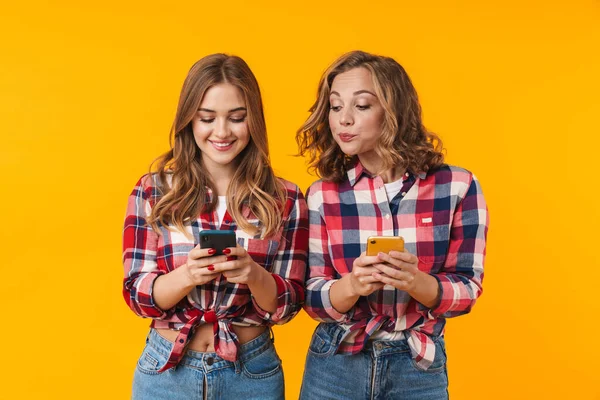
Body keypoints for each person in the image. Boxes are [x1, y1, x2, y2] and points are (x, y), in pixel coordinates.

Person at [296, 50, 489, 399]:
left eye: (362, 105)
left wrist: (418, 282)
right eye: (336, 107)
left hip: (417, 365)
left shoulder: (457, 186)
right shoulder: (322, 195)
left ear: (394, 110)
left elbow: (467, 290)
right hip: (335, 362)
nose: (344, 120)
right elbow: (310, 296)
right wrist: (353, 284)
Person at [122, 53, 308, 399]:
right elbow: (137, 296)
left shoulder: (286, 198)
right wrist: (188, 275)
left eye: (236, 118)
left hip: (251, 372)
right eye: (207, 118)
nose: (221, 132)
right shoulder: (153, 189)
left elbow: (289, 304)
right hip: (167, 370)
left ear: (253, 120)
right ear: (189, 120)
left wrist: (253, 275)